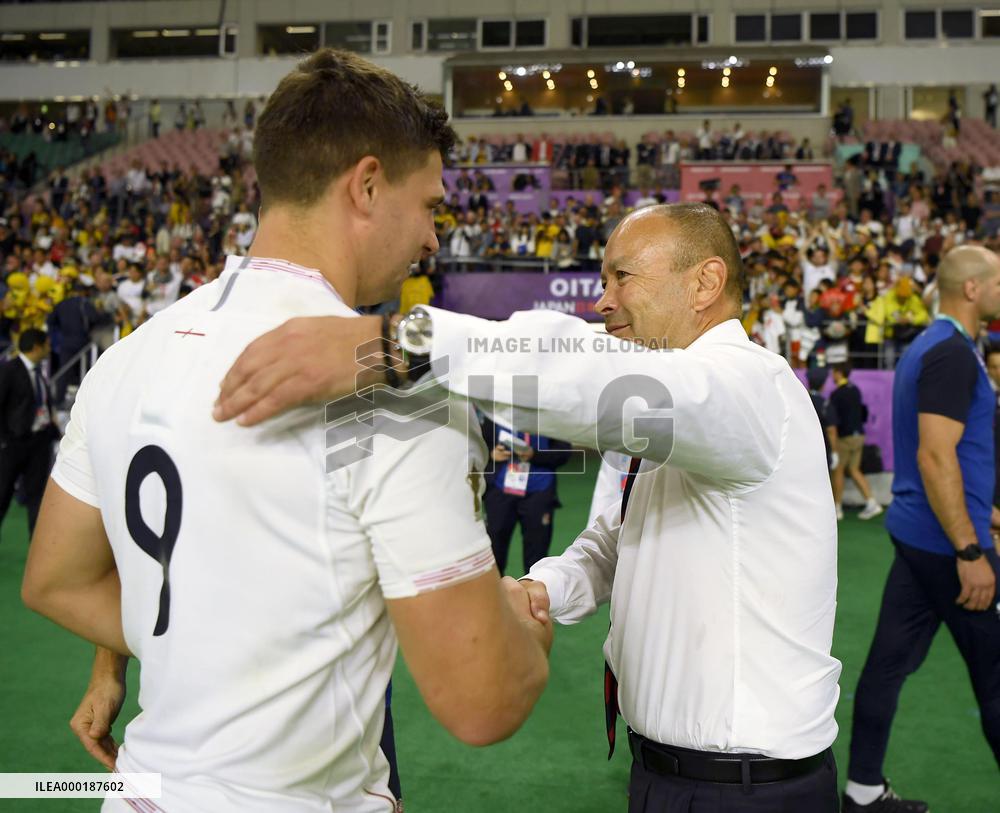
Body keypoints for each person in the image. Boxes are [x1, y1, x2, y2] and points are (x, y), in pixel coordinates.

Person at [21, 49, 552, 812]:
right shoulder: (397, 390)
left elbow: (56, 580)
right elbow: (484, 701)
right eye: (429, 204)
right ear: (366, 185)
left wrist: (208, 637)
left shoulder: (126, 360)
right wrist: (525, 631)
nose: (434, 237)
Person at [215, 202, 843, 811]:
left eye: (622, 276)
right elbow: (611, 543)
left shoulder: (750, 388)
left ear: (705, 282)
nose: (603, 301)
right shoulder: (676, 408)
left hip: (748, 787)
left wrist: (401, 342)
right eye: (602, 280)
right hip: (666, 773)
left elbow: (587, 375)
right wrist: (540, 588)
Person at [844, 246, 1000, 813]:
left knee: (887, 663)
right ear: (974, 289)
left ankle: (862, 792)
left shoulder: (929, 347)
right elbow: (937, 458)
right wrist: (970, 546)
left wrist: (985, 512)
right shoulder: (952, 353)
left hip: (918, 535)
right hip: (945, 544)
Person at [480, 415, 573, 574]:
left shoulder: (548, 413)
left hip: (539, 490)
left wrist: (534, 454)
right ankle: (493, 598)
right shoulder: (494, 412)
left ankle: (532, 597)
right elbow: (476, 445)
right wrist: (490, 454)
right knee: (493, 554)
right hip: (500, 489)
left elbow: (564, 452)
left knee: (536, 559)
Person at [0, 328, 58, 537]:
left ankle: (36, 546)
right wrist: (4, 439)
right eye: (47, 344)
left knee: (37, 498)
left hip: (38, 443)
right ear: (36, 346)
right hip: (13, 444)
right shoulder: (9, 369)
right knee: (2, 494)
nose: (50, 348)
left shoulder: (38, 372)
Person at [828, 363, 882, 521]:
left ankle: (836, 508)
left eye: (834, 372)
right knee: (854, 470)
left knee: (838, 471)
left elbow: (834, 421)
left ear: (839, 373)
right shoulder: (855, 390)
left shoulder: (837, 394)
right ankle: (871, 503)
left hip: (845, 438)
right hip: (859, 436)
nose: (832, 375)